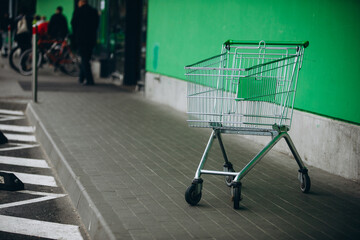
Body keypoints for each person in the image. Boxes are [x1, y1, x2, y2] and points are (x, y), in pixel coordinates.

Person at [71, 0, 99, 85]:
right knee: (86, 58)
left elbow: (73, 24)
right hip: (91, 39)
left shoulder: (78, 11)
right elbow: (96, 24)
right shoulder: (93, 11)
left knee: (84, 59)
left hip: (81, 39)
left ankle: (89, 80)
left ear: (80, 2)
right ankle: (81, 78)